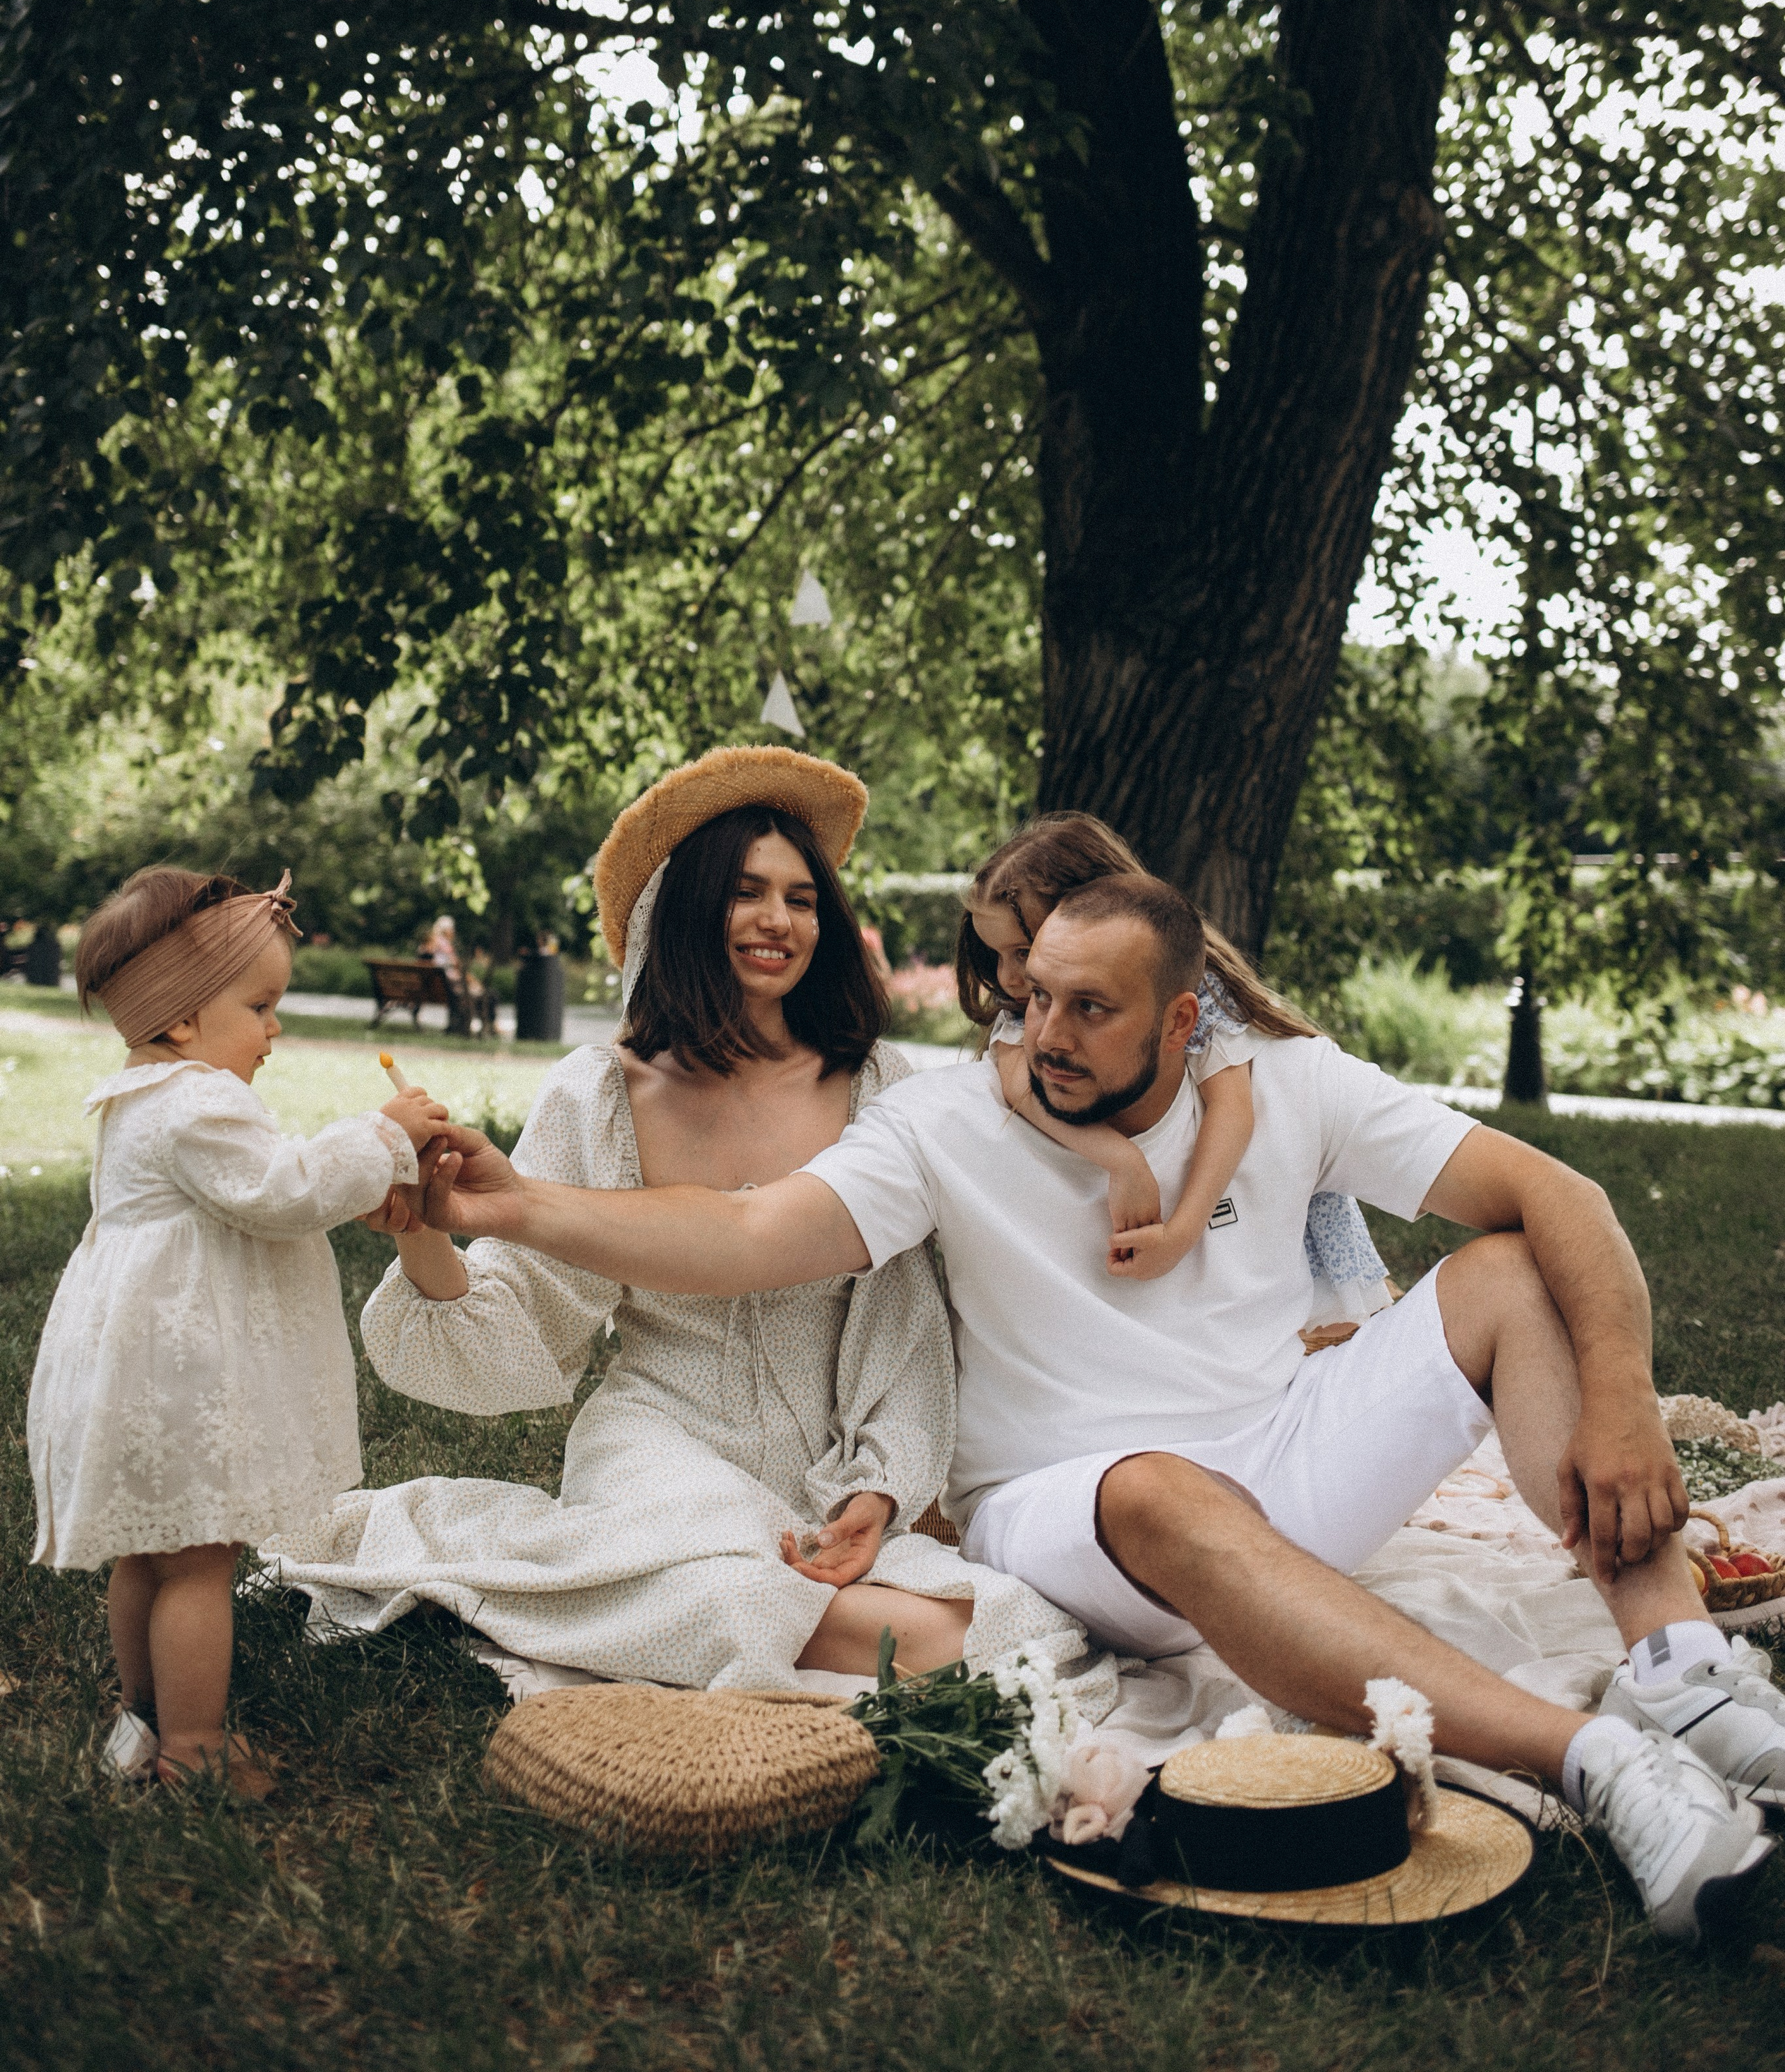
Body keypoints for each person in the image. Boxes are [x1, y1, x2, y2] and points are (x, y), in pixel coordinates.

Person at [406, 864, 1784, 1948]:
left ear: (1183, 1021)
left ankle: (1676, 1672)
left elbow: (1562, 1196)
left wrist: (1615, 1402)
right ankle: (1603, 1766)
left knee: (1502, 1269)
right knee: (1156, 1487)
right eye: (1029, 998)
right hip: (1070, 1508)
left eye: (1088, 1008)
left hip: (1282, 1461)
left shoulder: (1292, 1085)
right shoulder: (943, 1123)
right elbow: (749, 1232)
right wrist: (519, 1204)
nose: (1040, 1034)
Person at [268, 749, 1080, 1691]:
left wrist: (879, 1485)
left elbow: (905, 1319)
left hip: (829, 1464)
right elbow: (521, 1314)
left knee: (1018, 1620)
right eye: (746, 892)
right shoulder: (603, 1093)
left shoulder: (880, 1086)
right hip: (659, 1445)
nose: (779, 920)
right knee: (736, 1598)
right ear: (688, 908)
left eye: (802, 898)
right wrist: (420, 1224)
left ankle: (756, 1619)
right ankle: (757, 1614)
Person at [27, 865, 440, 1794]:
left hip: (135, 1370)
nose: (275, 1029)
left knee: (151, 1548)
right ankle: (197, 1748)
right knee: (201, 1563)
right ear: (180, 1020)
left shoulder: (141, 1095)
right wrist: (384, 1136)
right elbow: (285, 1191)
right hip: (181, 1375)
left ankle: (142, 1714)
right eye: (260, 1006)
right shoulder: (199, 1102)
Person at [960, 814, 1388, 1318]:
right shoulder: (1025, 1019)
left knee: (1316, 1322)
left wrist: (1183, 1231)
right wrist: (1121, 1158)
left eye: (1023, 951)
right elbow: (1019, 1087)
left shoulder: (1191, 999)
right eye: (997, 956)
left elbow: (1232, 1108)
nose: (1009, 976)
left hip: (1239, 1219)